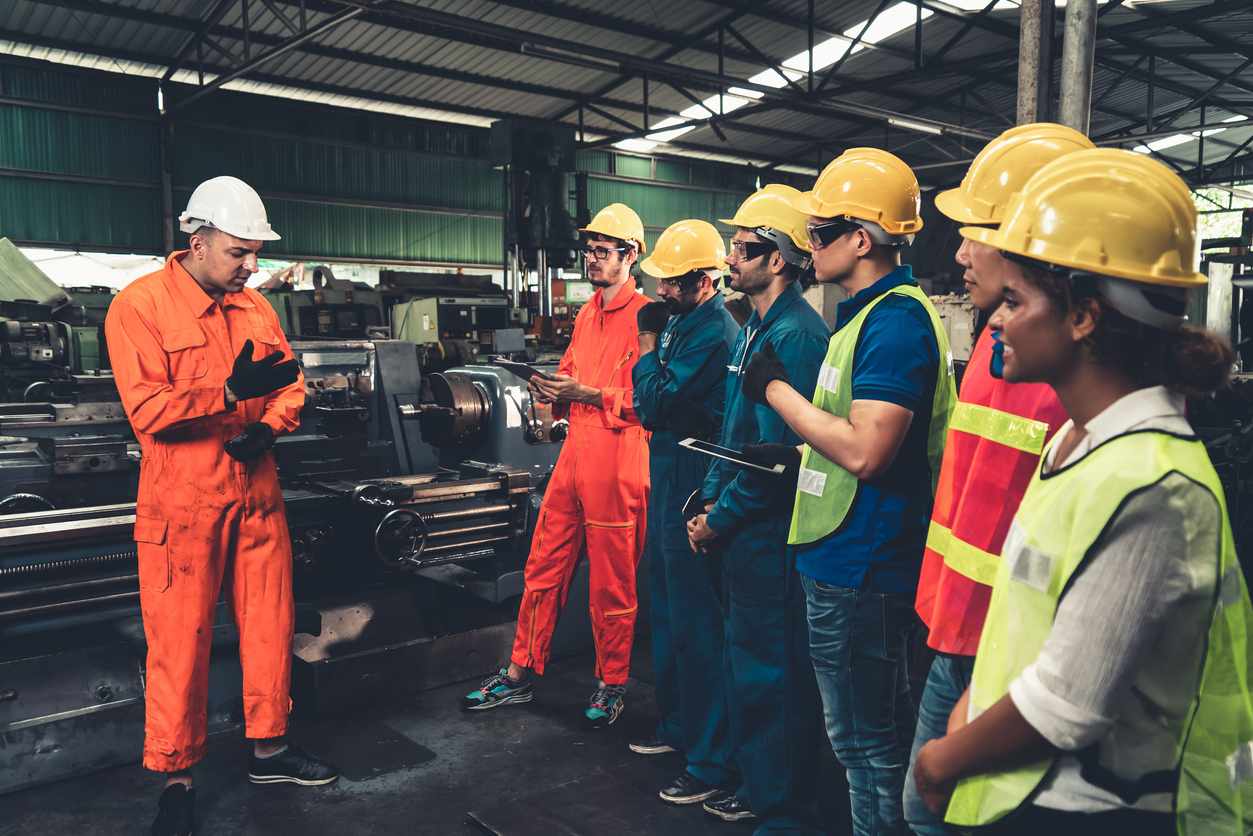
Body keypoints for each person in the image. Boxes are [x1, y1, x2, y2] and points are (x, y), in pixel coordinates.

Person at [912, 148, 1253, 836]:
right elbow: (1029, 623)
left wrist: (938, 761)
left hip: (1094, 811)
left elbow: (1066, 706)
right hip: (1020, 790)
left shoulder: (1153, 486)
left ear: (1082, 318)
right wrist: (968, 707)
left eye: (1014, 300)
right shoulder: (1075, 442)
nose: (996, 321)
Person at [104, 176, 337, 836]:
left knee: (269, 626)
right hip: (183, 503)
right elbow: (148, 411)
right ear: (197, 240)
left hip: (256, 496)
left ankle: (270, 749)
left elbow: (290, 384)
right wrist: (229, 393)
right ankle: (177, 778)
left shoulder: (255, 310)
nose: (251, 265)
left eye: (254, 252)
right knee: (180, 641)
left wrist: (270, 425)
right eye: (239, 251)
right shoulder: (139, 308)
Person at [742, 149, 957, 836]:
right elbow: (846, 431)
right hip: (844, 558)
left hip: (860, 565)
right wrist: (801, 446)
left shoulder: (893, 321)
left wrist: (775, 392)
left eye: (819, 232)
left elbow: (866, 450)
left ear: (860, 239)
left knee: (865, 744)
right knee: (862, 740)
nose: (807, 246)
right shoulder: (862, 314)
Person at [902, 123, 1091, 835]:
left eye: (975, 229)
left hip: (1010, 654)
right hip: (957, 628)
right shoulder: (993, 340)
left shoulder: (1073, 379)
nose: (958, 251)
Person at [462, 203, 650, 726]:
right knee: (543, 568)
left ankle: (612, 683)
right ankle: (520, 672)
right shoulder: (588, 313)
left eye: (602, 251)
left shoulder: (647, 318)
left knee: (612, 583)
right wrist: (549, 389)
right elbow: (570, 375)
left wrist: (586, 392)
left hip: (618, 459)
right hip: (574, 458)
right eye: (589, 250)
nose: (592, 259)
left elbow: (651, 401)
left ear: (630, 255)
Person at [686, 184, 830, 832]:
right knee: (744, 661)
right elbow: (733, 430)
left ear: (777, 258)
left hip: (767, 530)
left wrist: (722, 515)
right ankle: (754, 776)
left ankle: (775, 796)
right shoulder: (750, 330)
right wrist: (709, 500)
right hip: (737, 524)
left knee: (769, 668)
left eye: (744, 247)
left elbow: (775, 456)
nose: (731, 258)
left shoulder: (798, 335)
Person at [631, 219, 740, 805]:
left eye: (673, 282)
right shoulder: (682, 321)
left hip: (695, 478)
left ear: (704, 280)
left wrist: (646, 351)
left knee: (699, 625)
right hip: (667, 473)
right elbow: (652, 403)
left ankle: (712, 758)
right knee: (669, 615)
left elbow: (654, 403)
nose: (661, 292)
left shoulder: (713, 331)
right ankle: (679, 729)